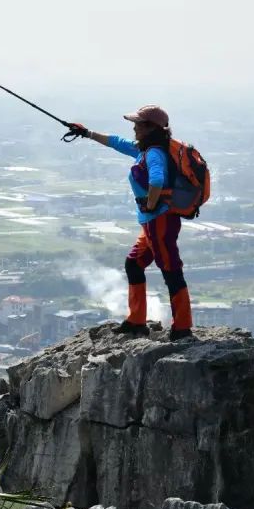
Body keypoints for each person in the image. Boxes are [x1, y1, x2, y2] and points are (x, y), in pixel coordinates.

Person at [70, 106, 194, 341]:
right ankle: (136, 321)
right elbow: (117, 142)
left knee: (171, 271)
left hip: (160, 221)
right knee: (134, 265)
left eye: (138, 123)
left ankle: (182, 327)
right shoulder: (144, 150)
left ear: (151, 128)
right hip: (151, 223)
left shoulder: (154, 154)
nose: (134, 127)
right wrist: (87, 133)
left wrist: (150, 203)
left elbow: (156, 179)